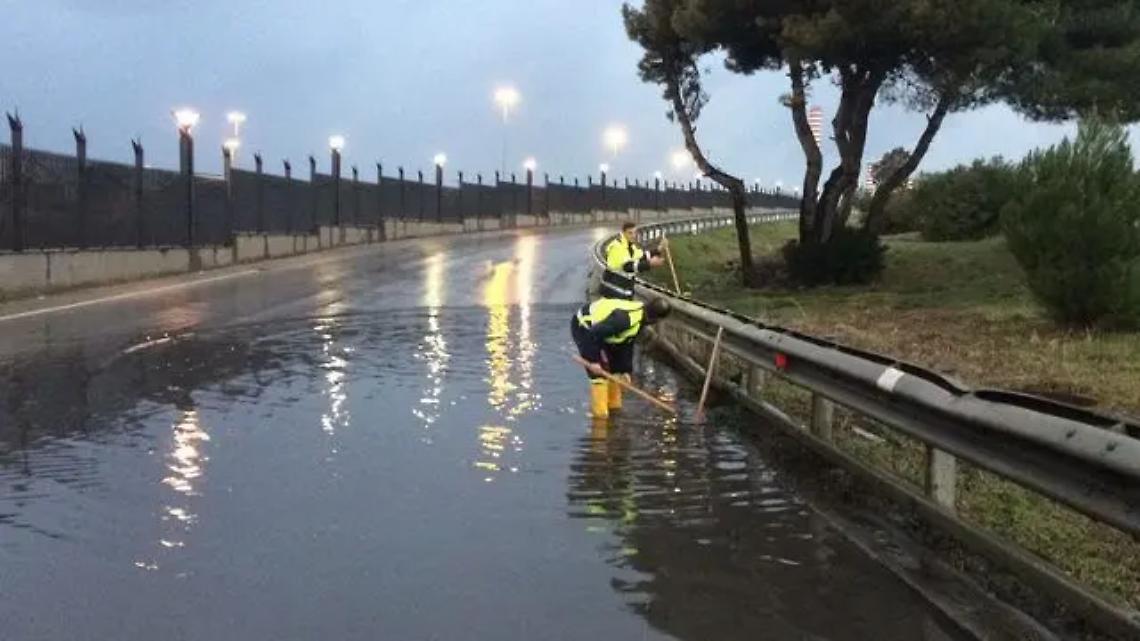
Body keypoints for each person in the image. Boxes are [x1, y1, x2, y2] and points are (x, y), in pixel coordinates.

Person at [571, 296, 672, 419]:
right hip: (585, 326)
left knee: (617, 373)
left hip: (604, 331)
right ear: (656, 319)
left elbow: (626, 343)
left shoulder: (640, 319)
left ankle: (614, 410)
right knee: (599, 375)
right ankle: (600, 418)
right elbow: (592, 335)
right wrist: (593, 361)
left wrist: (625, 370)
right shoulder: (624, 320)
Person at [600, 222, 667, 299]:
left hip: (624, 289)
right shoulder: (617, 247)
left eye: (635, 233)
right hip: (613, 290)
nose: (633, 236)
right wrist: (650, 264)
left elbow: (642, 256)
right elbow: (628, 267)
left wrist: (659, 249)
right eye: (630, 233)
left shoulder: (630, 246)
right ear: (623, 233)